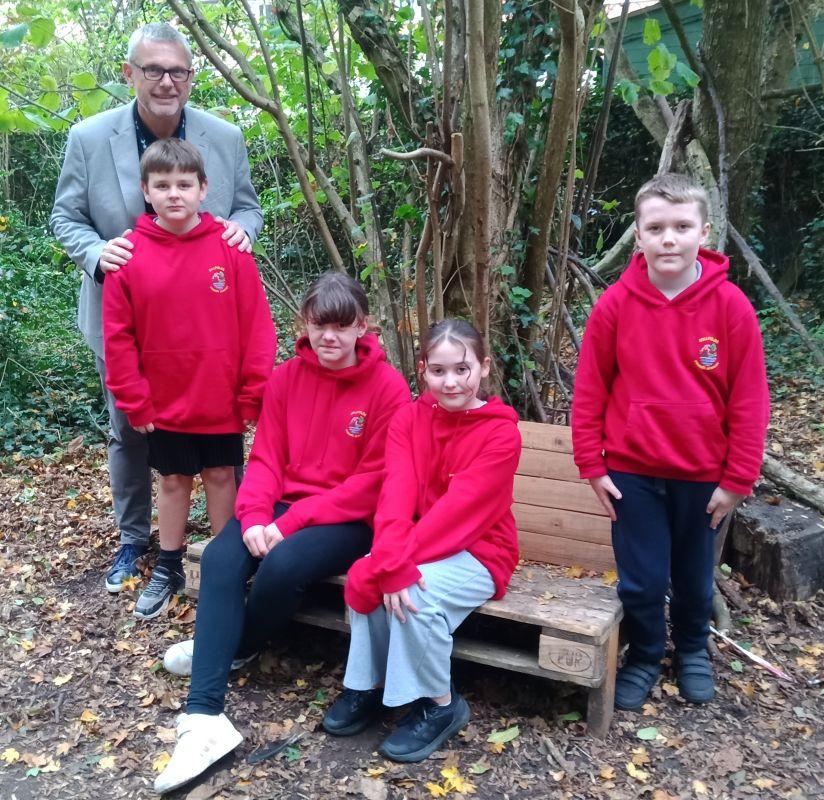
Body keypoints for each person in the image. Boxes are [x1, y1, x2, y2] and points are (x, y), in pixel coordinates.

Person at [153, 273, 410, 794]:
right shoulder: (286, 378)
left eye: (341, 326)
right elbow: (267, 458)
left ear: (362, 326)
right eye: (319, 325)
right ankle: (204, 718)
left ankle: (236, 644)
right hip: (278, 507)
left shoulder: (388, 388)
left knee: (283, 564)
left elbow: (372, 483)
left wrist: (288, 523)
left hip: (347, 519)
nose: (329, 337)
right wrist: (252, 517)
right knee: (221, 557)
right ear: (305, 324)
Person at [50, 22, 263, 594]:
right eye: (153, 70)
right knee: (129, 429)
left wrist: (241, 232)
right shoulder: (89, 137)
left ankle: (221, 551)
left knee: (217, 444)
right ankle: (134, 538)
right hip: (121, 313)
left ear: (191, 76)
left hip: (207, 326)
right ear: (130, 74)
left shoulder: (225, 137)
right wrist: (97, 253)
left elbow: (247, 208)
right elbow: (65, 217)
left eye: (177, 71)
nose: (166, 81)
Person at [571, 173, 769, 710]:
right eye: (656, 228)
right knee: (641, 580)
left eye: (682, 227)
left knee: (694, 578)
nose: (669, 239)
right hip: (631, 474)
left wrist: (738, 478)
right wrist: (592, 464)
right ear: (638, 235)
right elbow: (590, 390)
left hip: (704, 475)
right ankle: (644, 654)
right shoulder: (615, 306)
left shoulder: (731, 307)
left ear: (704, 233)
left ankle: (692, 651)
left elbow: (750, 400)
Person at [322, 319, 522, 763]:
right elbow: (395, 495)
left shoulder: (501, 433)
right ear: (422, 370)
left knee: (413, 593)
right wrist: (386, 561)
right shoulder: (408, 420)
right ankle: (370, 686)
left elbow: (459, 515)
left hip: (479, 549)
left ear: (484, 367)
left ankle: (441, 704)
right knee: (368, 572)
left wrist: (393, 565)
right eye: (438, 371)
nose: (450, 382)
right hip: (413, 539)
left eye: (462, 369)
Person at [102, 138, 276, 619]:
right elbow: (118, 338)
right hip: (164, 401)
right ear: (146, 191)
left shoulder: (231, 248)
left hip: (219, 396)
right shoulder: (128, 256)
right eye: (162, 185)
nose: (174, 194)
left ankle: (226, 567)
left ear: (203, 188)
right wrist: (135, 400)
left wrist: (253, 392)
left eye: (184, 184)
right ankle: (169, 565)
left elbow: (258, 327)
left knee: (221, 476)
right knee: (173, 479)